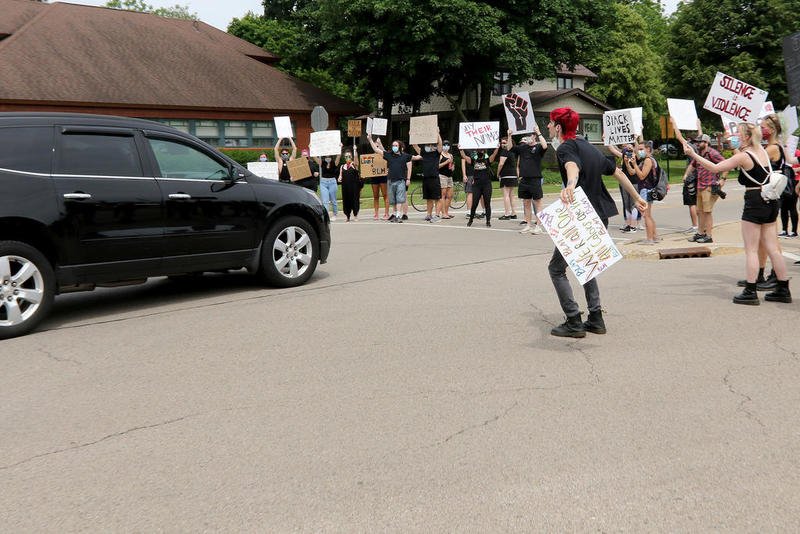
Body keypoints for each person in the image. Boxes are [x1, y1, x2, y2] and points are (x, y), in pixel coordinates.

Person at [546, 107, 647, 338]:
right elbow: (618, 172)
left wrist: (571, 184)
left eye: (551, 123)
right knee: (586, 264)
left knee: (556, 269)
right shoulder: (588, 146)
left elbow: (573, 166)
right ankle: (596, 317)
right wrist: (637, 197)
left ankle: (573, 320)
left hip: (581, 214)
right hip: (598, 214)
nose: (548, 127)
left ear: (559, 127)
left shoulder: (565, 148)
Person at [681, 122, 791, 305]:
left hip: (755, 199)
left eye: (738, 134)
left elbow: (715, 168)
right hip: (770, 199)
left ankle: (750, 290)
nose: (734, 137)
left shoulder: (744, 157)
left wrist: (693, 154)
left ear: (747, 137)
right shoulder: (763, 151)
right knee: (773, 247)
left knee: (751, 250)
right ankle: (783, 288)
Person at [685, 133, 726, 243]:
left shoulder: (712, 153)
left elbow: (725, 164)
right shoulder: (699, 154)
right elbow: (692, 165)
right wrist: (686, 175)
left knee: (707, 212)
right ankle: (700, 233)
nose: (698, 144)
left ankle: (709, 236)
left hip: (709, 186)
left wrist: (723, 179)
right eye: (697, 142)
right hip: (700, 185)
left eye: (700, 142)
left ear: (706, 142)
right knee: (700, 211)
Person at [510, 128, 548, 234]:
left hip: (535, 179)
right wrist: (509, 136)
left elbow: (545, 146)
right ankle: (528, 225)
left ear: (534, 136)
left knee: (537, 203)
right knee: (526, 202)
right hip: (524, 179)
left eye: (530, 136)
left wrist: (539, 132)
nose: (528, 139)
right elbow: (510, 148)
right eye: (526, 137)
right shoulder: (523, 148)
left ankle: (539, 226)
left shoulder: (538, 147)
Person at [368, 134, 411, 222]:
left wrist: (425, 156)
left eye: (396, 145)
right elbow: (376, 150)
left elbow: (416, 157)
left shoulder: (405, 156)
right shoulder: (389, 155)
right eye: (393, 145)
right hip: (391, 181)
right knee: (393, 199)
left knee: (400, 198)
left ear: (399, 147)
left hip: (401, 181)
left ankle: (399, 215)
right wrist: (370, 140)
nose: (394, 147)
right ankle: (395, 214)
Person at [624, 140, 659, 244]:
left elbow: (642, 175)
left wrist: (634, 163)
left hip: (647, 189)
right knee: (648, 214)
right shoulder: (644, 161)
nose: (638, 151)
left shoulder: (648, 160)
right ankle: (654, 236)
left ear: (648, 149)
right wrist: (627, 163)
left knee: (646, 215)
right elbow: (632, 172)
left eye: (641, 149)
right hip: (646, 189)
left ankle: (650, 239)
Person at [460, 146, 499, 227]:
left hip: (486, 184)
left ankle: (488, 221)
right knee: (474, 203)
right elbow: (464, 157)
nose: (480, 151)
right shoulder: (473, 160)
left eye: (482, 150)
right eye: (479, 150)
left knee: (487, 202)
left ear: (484, 151)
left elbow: (494, 154)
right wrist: (461, 149)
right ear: (476, 152)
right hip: (477, 185)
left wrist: (497, 147)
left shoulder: (487, 160)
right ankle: (471, 219)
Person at [608, 143, 640, 232]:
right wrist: (606, 140)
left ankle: (633, 225)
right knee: (627, 204)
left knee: (633, 204)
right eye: (626, 147)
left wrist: (627, 162)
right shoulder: (624, 156)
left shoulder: (636, 157)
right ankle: (628, 224)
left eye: (630, 147)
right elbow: (613, 150)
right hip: (624, 183)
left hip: (633, 183)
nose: (627, 149)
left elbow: (632, 172)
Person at [412, 133, 444, 222]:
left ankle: (437, 216)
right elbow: (415, 146)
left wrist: (437, 133)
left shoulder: (437, 151)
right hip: (426, 177)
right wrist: (412, 135)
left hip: (434, 176)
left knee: (437, 197)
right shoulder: (424, 151)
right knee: (428, 197)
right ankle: (429, 215)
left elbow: (440, 144)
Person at [496, 130, 518, 220]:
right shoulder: (513, 152)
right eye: (501, 143)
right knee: (511, 195)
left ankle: (507, 213)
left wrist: (498, 173)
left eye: (504, 142)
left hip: (506, 175)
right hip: (513, 175)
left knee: (506, 195)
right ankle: (513, 213)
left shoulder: (504, 152)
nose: (503, 144)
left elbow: (501, 164)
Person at [317, 150, 341, 220]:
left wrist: (340, 147)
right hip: (323, 182)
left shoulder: (334, 162)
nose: (327, 155)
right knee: (325, 201)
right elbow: (315, 157)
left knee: (333, 200)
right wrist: (312, 148)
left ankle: (335, 214)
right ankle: (326, 216)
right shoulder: (322, 162)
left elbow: (338, 156)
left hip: (332, 182)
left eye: (329, 154)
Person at [338, 148, 361, 221]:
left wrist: (355, 151)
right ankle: (347, 216)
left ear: (351, 157)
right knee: (346, 201)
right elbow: (340, 176)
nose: (348, 158)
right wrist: (339, 178)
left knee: (354, 200)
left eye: (349, 156)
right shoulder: (342, 166)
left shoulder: (354, 164)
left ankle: (355, 215)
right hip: (345, 187)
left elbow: (357, 161)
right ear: (344, 158)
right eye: (346, 156)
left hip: (354, 187)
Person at [437, 140, 455, 219]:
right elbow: (437, 166)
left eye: (447, 145)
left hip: (450, 176)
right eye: (444, 145)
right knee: (443, 195)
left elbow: (451, 166)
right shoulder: (440, 155)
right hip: (442, 176)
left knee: (450, 195)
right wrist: (446, 162)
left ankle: (447, 212)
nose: (446, 146)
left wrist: (452, 166)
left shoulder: (450, 155)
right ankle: (443, 213)